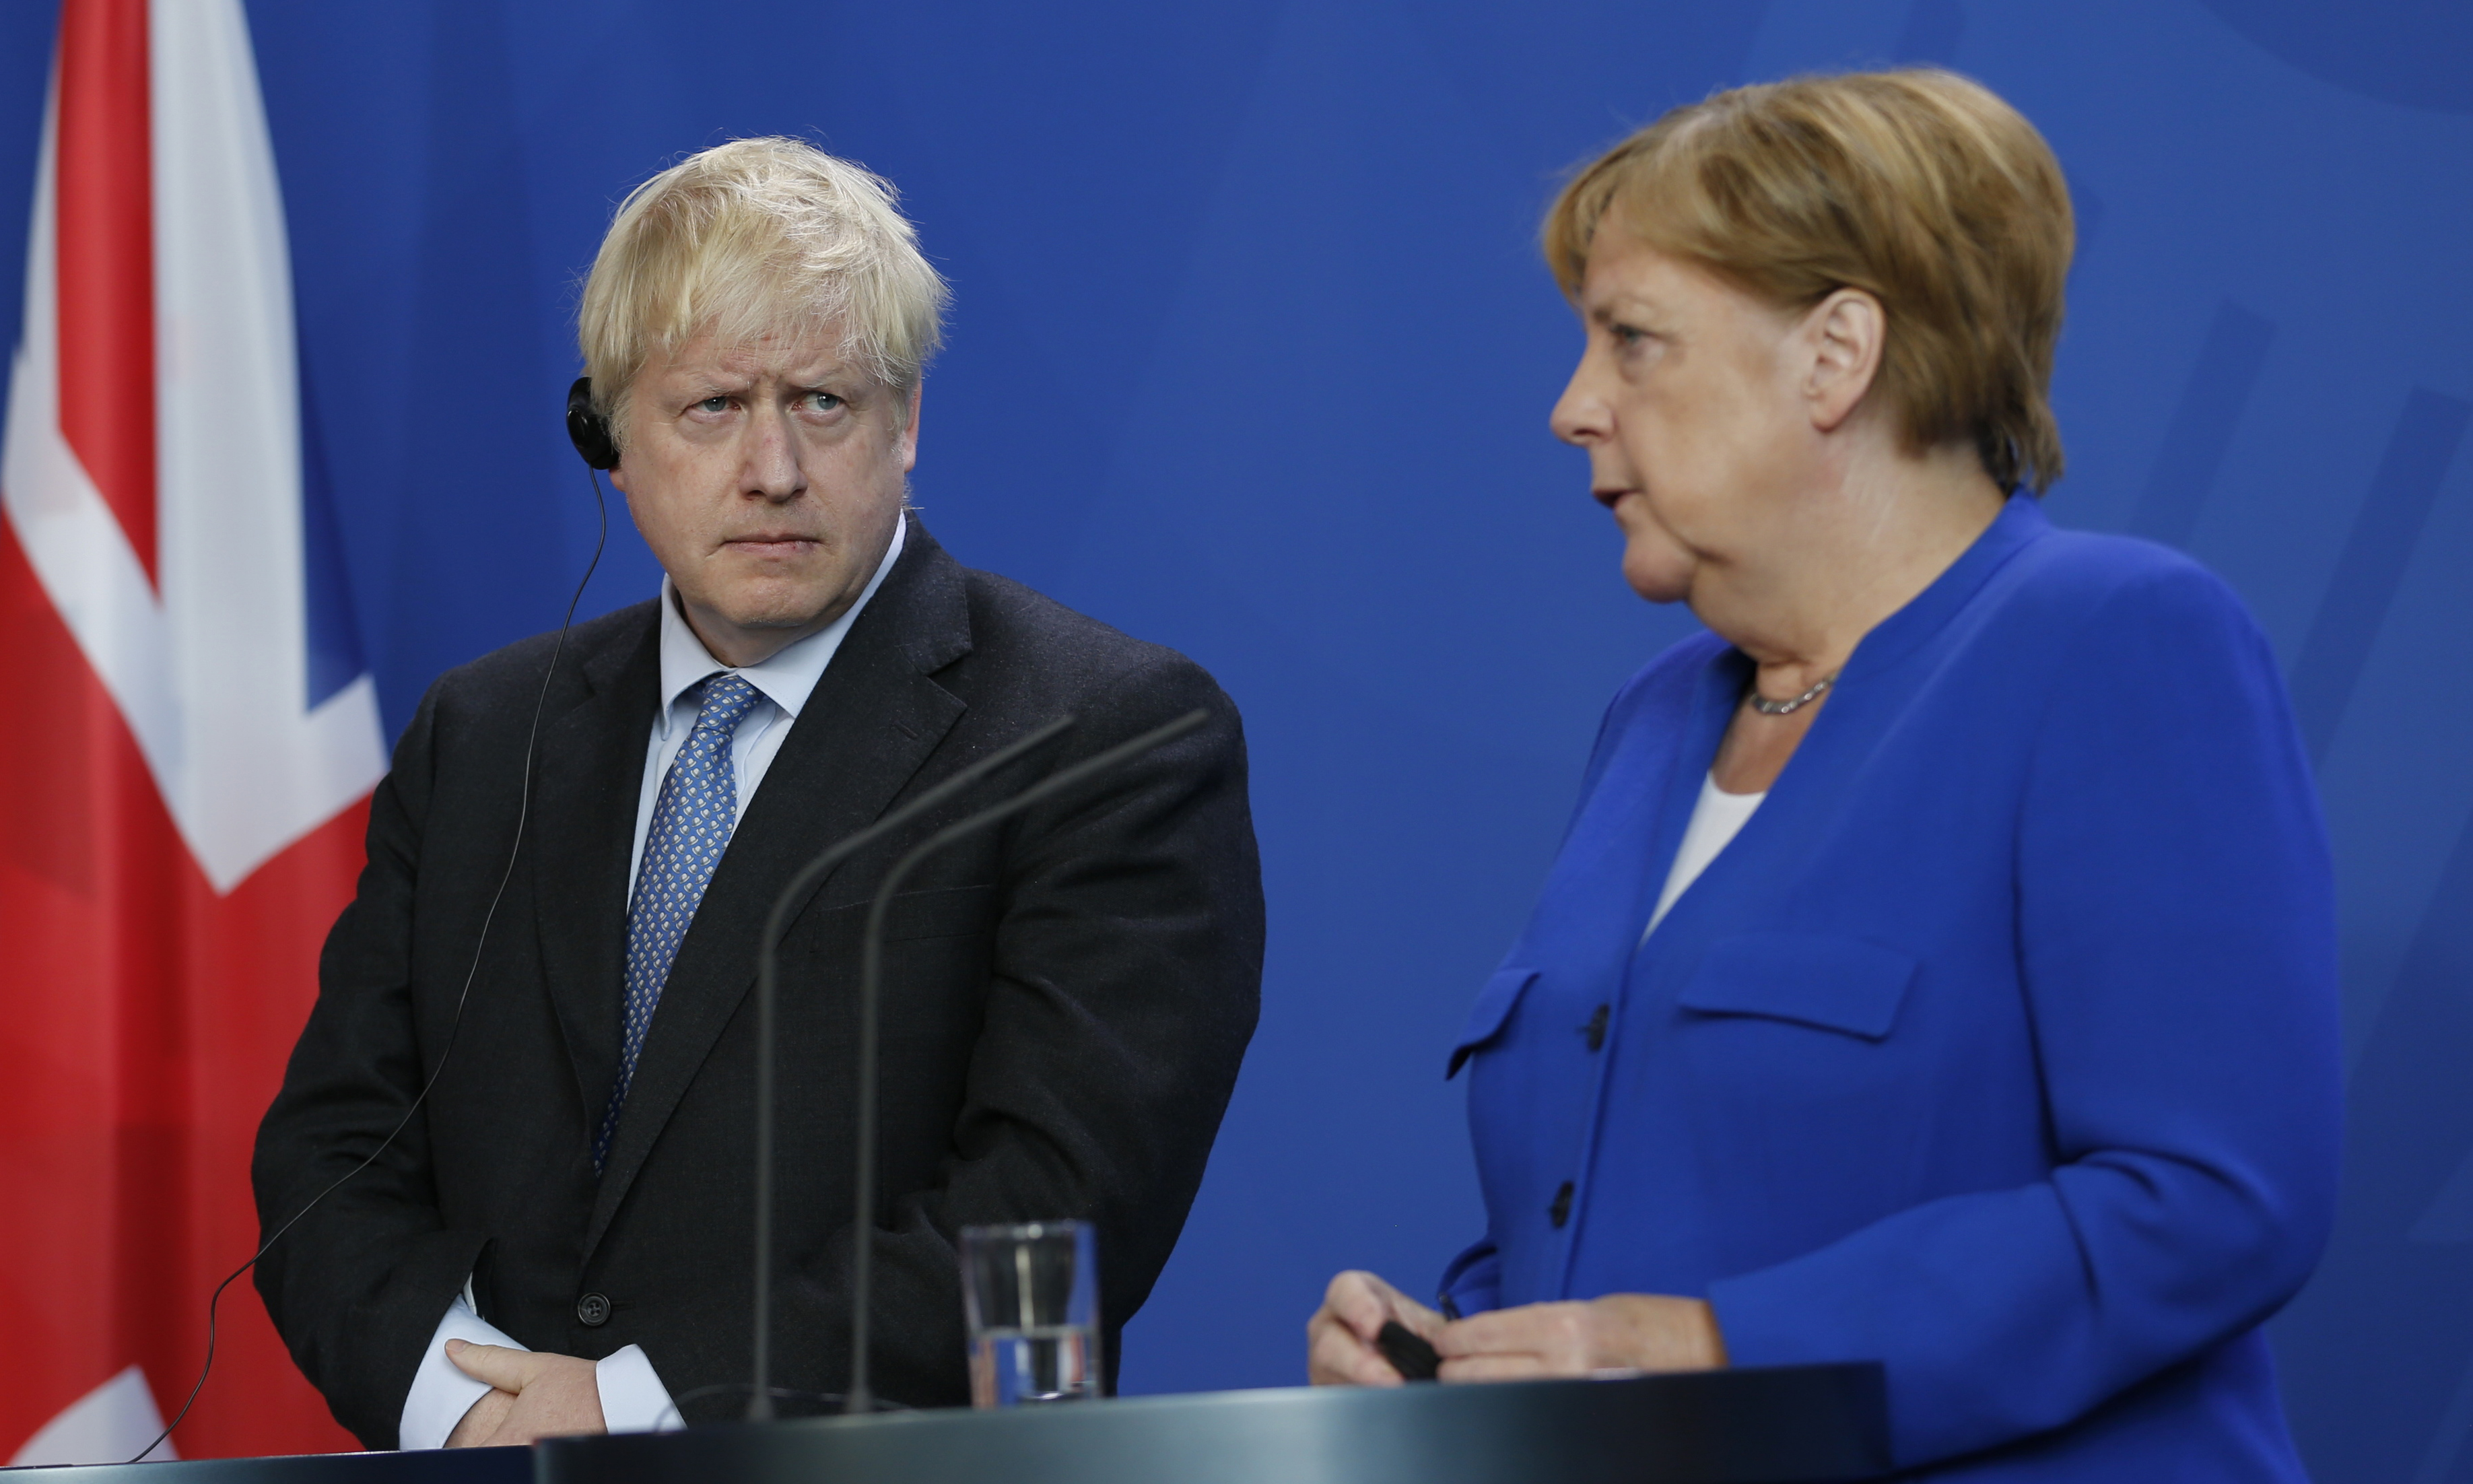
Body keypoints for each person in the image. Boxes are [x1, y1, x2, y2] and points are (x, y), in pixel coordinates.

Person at [1308, 70, 2339, 1480]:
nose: (1571, 407)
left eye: (1631, 342)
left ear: (1834, 356)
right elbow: (1624, 1236)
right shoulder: (1656, 719)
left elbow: (2209, 1197)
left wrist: (1706, 1347)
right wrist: (1463, 1357)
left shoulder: (2115, 639)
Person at [252, 137, 1264, 1450]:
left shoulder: (1101, 733)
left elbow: (1055, 1205)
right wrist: (466, 1409)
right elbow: (333, 1155)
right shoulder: (482, 736)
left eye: (824, 404)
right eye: (712, 407)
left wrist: (629, 1404)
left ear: (907, 422)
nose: (773, 468)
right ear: (608, 439)